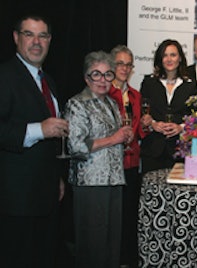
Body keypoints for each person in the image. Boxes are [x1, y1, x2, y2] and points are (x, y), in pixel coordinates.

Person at [0, 15, 68, 268]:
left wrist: (57, 178)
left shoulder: (47, 80)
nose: (37, 42)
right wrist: (38, 129)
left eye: (43, 36)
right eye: (29, 34)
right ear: (16, 38)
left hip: (47, 197)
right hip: (16, 201)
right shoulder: (5, 76)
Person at [65, 50, 133, 268]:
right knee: (92, 247)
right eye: (97, 74)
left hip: (114, 181)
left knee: (112, 245)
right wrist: (114, 138)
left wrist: (124, 137)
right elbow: (75, 146)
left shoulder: (111, 104)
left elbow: (113, 139)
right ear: (86, 77)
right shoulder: (77, 104)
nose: (103, 80)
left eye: (108, 74)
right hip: (91, 183)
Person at [108, 45, 146, 268]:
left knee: (129, 215)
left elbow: (139, 130)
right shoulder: (103, 93)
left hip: (132, 163)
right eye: (120, 63)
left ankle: (126, 260)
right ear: (112, 65)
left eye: (128, 64)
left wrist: (148, 125)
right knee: (113, 217)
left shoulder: (135, 95)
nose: (124, 68)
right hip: (110, 164)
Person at [139, 39, 197, 174]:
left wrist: (180, 128)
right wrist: (153, 124)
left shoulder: (190, 85)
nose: (169, 59)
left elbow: (196, 117)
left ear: (180, 58)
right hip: (153, 149)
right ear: (160, 59)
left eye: (173, 55)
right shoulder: (149, 82)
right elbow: (142, 111)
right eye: (165, 55)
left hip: (180, 150)